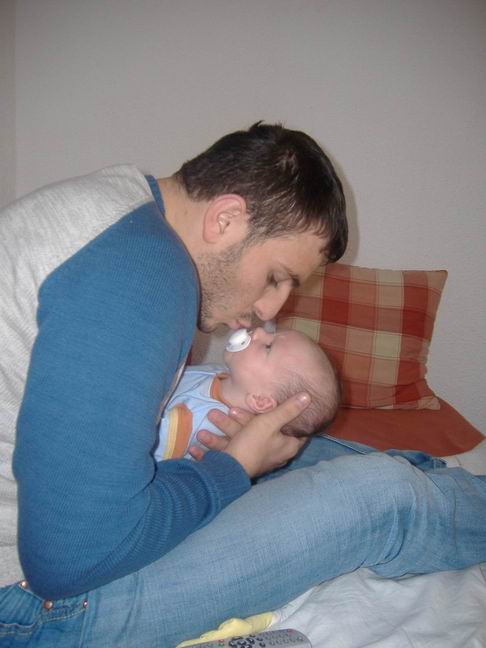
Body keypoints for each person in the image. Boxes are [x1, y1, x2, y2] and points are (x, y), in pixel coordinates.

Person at [0, 122, 484, 648]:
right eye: (276, 276)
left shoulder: (119, 207)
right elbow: (73, 561)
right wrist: (232, 468)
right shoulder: (141, 277)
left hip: (52, 536)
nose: (271, 309)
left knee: (290, 440)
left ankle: (443, 481)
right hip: (34, 605)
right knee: (382, 499)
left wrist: (243, 457)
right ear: (226, 218)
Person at [154, 326, 340, 461]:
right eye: (272, 333)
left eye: (268, 346)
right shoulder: (223, 375)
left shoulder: (198, 423)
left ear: (260, 400)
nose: (259, 331)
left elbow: (147, 453)